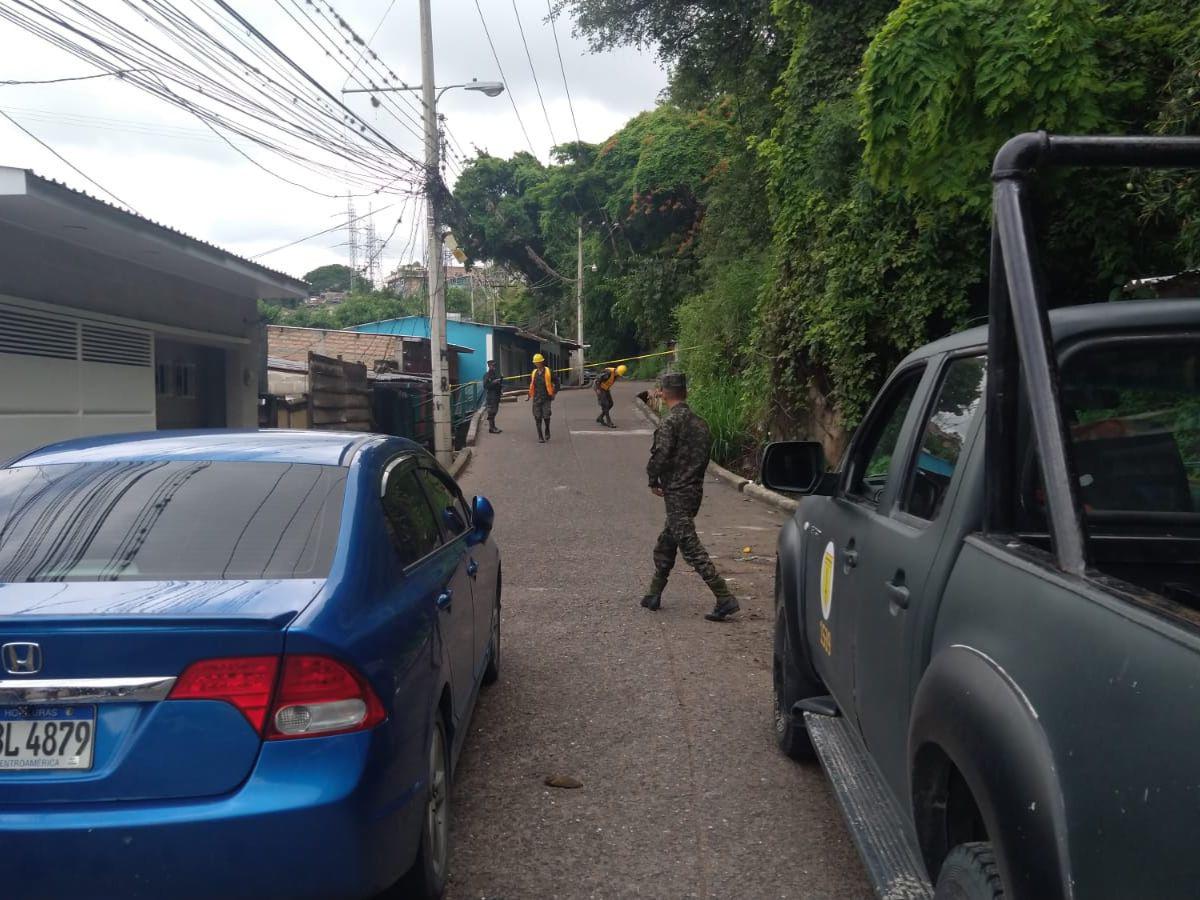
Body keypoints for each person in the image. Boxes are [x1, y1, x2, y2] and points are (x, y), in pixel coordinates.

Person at [642, 373, 739, 622]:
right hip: (694, 491)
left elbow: (661, 455)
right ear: (685, 392)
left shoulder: (669, 423)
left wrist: (653, 478)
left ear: (663, 393)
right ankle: (654, 593)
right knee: (667, 541)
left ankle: (724, 596)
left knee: (689, 545)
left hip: (676, 492)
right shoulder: (701, 424)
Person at [526, 353, 556, 443]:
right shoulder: (534, 372)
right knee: (537, 417)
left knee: (546, 415)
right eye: (536, 362)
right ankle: (540, 436)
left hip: (546, 398)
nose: (537, 364)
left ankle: (547, 429)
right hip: (536, 398)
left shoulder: (548, 371)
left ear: (542, 362)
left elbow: (557, 382)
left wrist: (554, 392)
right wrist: (529, 395)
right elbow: (532, 385)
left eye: (539, 362)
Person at [594, 363, 628, 428]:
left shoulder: (616, 374)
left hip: (605, 389)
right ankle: (609, 422)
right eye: (618, 374)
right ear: (617, 371)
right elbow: (598, 379)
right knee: (605, 404)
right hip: (599, 387)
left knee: (611, 403)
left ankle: (600, 417)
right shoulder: (608, 372)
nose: (618, 376)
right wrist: (598, 389)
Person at [482, 359, 504, 434]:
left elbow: (498, 385)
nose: (494, 367)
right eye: (492, 366)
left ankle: (493, 427)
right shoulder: (487, 375)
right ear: (489, 366)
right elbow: (485, 386)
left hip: (496, 395)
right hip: (491, 396)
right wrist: (493, 382)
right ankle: (491, 428)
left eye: (495, 366)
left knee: (495, 411)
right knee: (492, 412)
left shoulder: (494, 374)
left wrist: (501, 380)